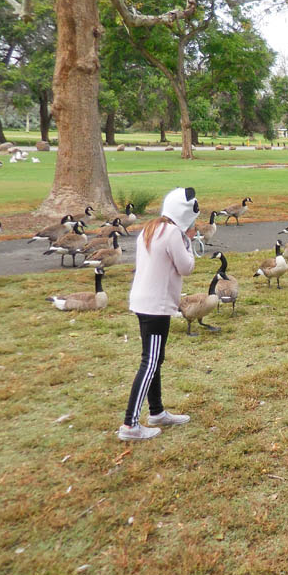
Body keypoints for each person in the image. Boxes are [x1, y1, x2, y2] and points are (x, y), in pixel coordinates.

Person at [119, 187, 199, 441]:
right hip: (156, 306)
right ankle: (130, 425)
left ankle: (156, 412)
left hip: (144, 303)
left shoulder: (151, 228)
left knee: (154, 360)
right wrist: (190, 241)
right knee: (150, 362)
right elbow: (186, 267)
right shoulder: (173, 232)